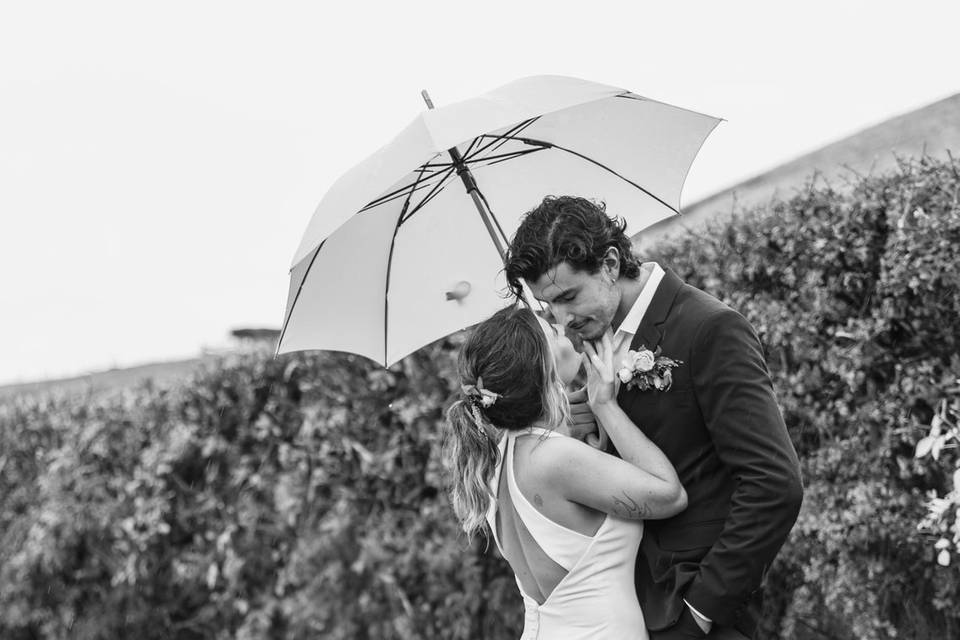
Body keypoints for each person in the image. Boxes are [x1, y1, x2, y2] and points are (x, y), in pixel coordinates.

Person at [503, 196, 803, 640]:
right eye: (550, 309)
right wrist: (591, 431)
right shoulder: (588, 341)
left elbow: (774, 483)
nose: (563, 322)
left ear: (608, 264)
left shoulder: (709, 328)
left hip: (701, 611)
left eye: (568, 297)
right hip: (628, 607)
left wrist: (702, 610)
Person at [445, 305, 687, 639]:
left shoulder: (498, 459)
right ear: (542, 369)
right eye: (552, 332)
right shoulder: (554, 459)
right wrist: (606, 406)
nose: (562, 327)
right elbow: (669, 495)